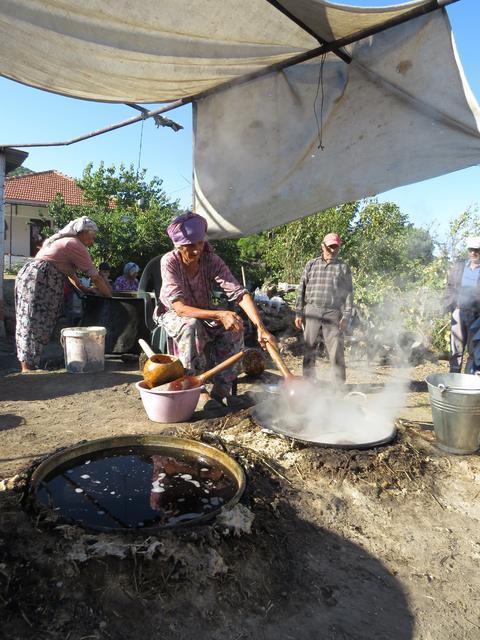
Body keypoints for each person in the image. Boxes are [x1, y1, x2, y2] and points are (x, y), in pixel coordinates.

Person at [154, 211, 274, 404]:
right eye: (189, 246)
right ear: (178, 245)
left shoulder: (211, 260)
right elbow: (180, 308)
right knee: (190, 325)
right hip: (175, 314)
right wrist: (220, 314)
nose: (196, 250)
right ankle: (196, 387)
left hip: (204, 311)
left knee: (235, 325)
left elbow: (239, 293)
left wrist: (261, 328)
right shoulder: (170, 262)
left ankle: (221, 389)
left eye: (200, 243)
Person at [15, 216, 112, 373]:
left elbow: (71, 275)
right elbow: (95, 276)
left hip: (33, 276)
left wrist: (84, 288)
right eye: (92, 237)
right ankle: (27, 368)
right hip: (40, 279)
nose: (93, 241)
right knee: (34, 320)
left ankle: (29, 365)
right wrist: (109, 295)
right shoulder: (75, 244)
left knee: (31, 319)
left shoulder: (64, 241)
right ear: (84, 232)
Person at [294, 232, 353, 384]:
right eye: (330, 247)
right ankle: (309, 382)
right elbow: (302, 288)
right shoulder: (311, 264)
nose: (333, 251)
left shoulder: (343, 268)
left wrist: (346, 316)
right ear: (323, 246)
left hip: (332, 312)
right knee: (309, 347)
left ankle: (338, 385)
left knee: (335, 351)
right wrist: (299, 312)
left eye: (336, 247)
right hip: (312, 310)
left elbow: (348, 293)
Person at [444, 236, 480, 373]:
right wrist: (447, 304)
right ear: (468, 250)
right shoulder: (459, 267)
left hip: (476, 315)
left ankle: (468, 382)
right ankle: (453, 378)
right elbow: (450, 286)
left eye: (477, 250)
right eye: (471, 250)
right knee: (456, 349)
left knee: (473, 350)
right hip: (458, 312)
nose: (473, 253)